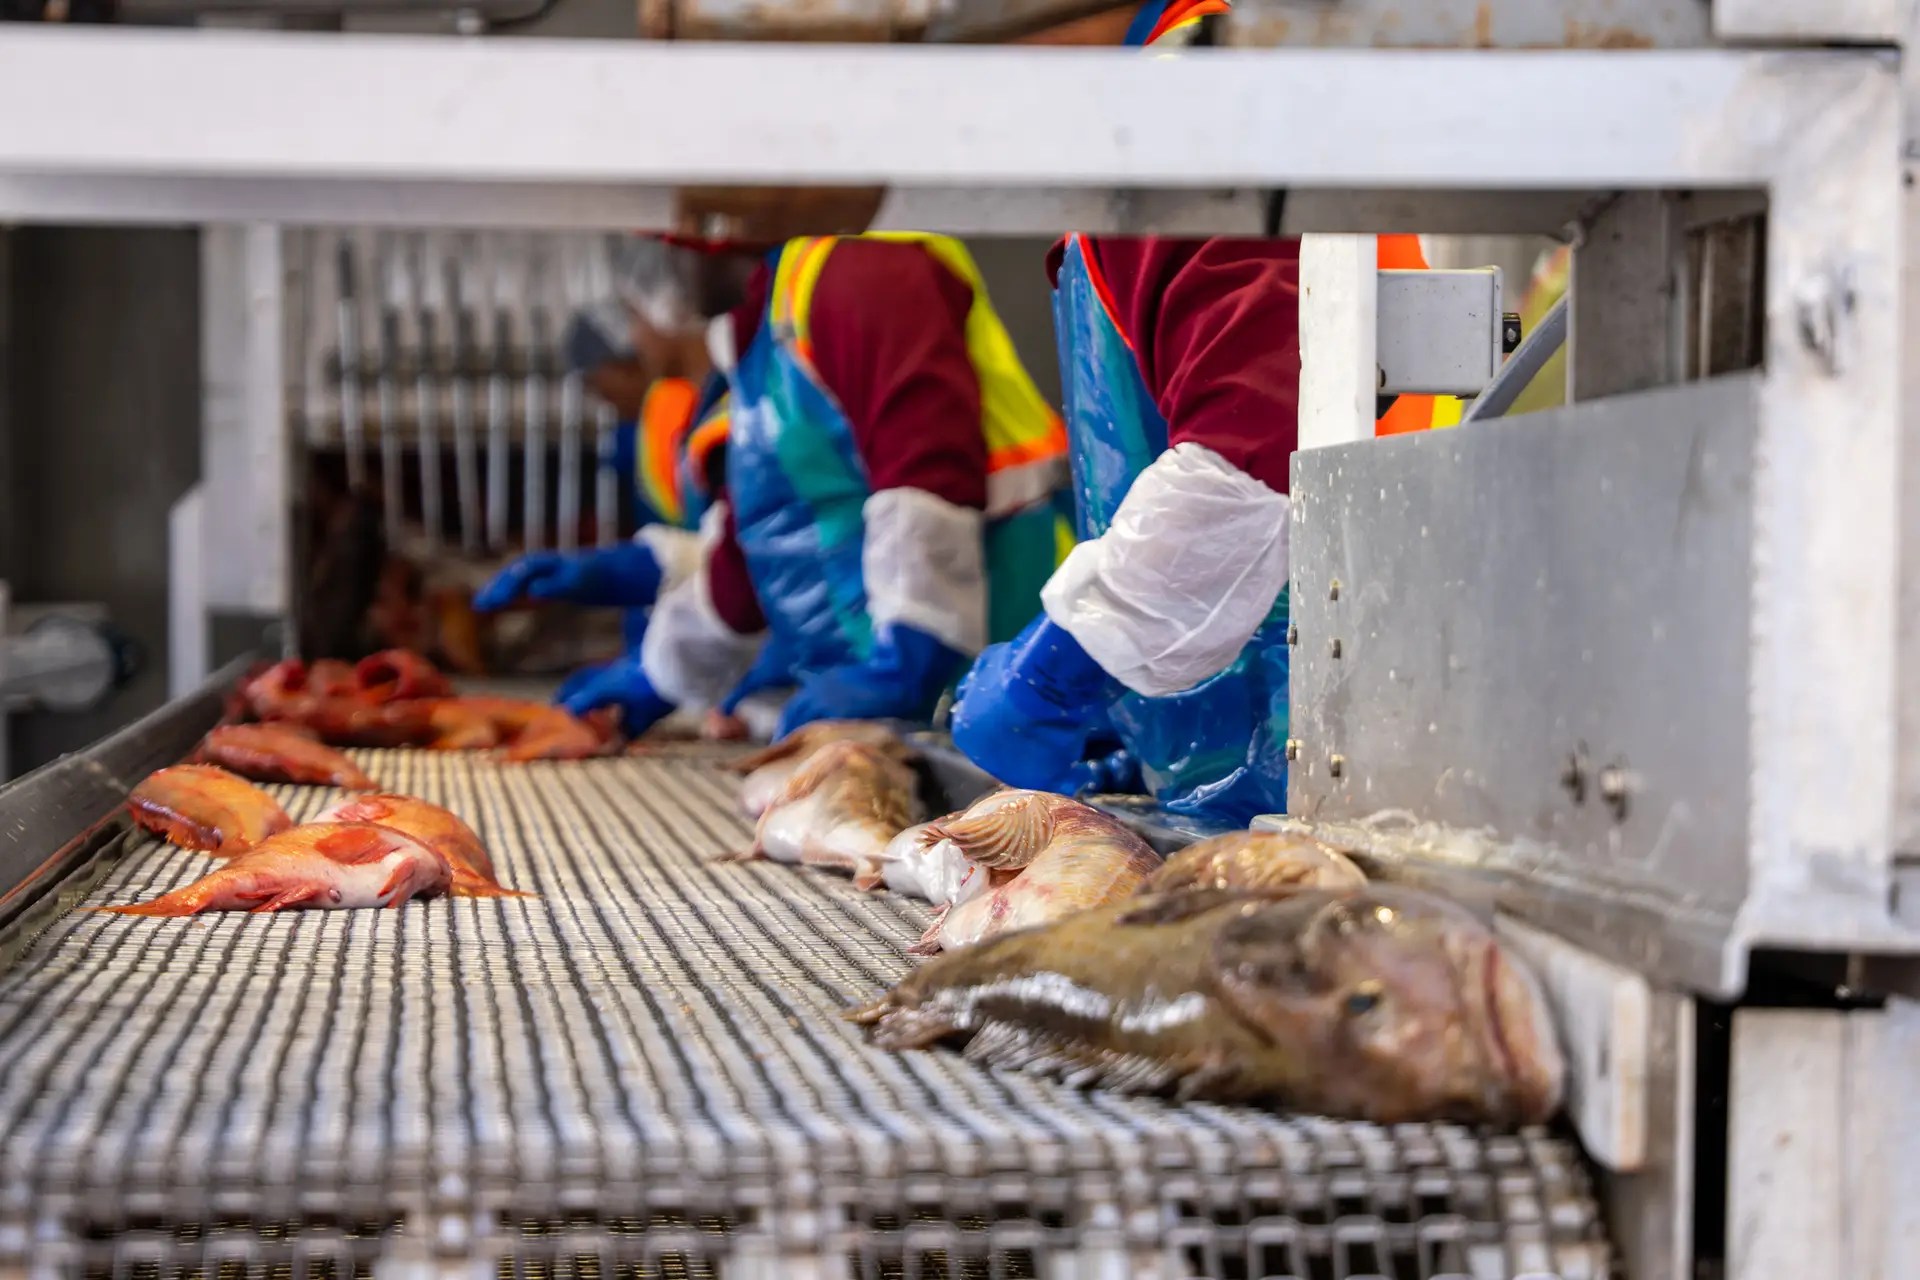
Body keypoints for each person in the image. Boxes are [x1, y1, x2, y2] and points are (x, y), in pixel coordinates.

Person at [948, 0, 1435, 824]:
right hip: (1252, 740)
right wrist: (1134, 712)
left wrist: (1062, 665)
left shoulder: (1194, 104)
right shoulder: (1159, 104)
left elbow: (1262, 445)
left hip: (1319, 734)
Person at [561, 229, 1070, 738]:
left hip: (1014, 668)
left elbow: (927, 481)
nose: (660, 270)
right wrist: (659, 676)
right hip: (919, 706)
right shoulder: (761, 337)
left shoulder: (864, 274)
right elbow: (756, 546)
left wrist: (911, 654)